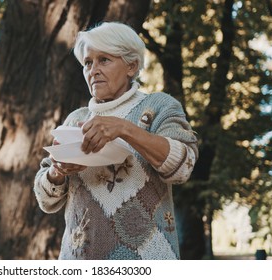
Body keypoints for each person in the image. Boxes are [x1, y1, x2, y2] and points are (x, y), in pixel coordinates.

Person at [33, 22, 198, 260]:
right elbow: (45, 201)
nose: (93, 70)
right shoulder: (75, 119)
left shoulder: (160, 106)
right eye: (88, 62)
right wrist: (58, 171)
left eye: (104, 60)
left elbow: (183, 167)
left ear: (131, 66)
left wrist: (124, 128)